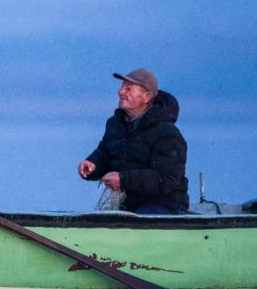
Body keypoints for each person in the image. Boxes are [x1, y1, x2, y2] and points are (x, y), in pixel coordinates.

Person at [78, 68, 189, 214]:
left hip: (163, 206)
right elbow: (105, 154)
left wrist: (123, 180)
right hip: (129, 205)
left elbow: (166, 179)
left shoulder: (167, 133)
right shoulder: (115, 125)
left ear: (147, 97)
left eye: (128, 88)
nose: (121, 92)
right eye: (121, 87)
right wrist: (92, 165)